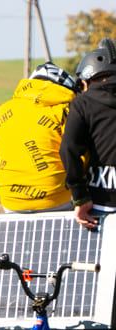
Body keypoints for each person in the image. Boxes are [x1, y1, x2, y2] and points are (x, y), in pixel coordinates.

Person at [0, 62, 77, 212]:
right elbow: (79, 156)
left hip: (11, 202)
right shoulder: (64, 111)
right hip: (56, 199)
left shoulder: (0, 112)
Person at [60, 38, 116, 229]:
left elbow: (69, 150)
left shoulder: (83, 103)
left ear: (87, 78)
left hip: (102, 200)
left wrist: (80, 196)